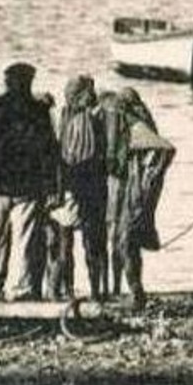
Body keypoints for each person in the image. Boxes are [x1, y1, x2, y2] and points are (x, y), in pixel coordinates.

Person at [0, 62, 60, 304]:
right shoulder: (38, 111)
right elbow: (49, 153)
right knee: (23, 244)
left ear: (6, 82)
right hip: (27, 188)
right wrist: (50, 187)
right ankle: (18, 292)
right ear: (30, 82)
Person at [100, 87, 174, 309]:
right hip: (126, 193)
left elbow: (166, 148)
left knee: (125, 241)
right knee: (123, 241)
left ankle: (133, 292)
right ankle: (121, 290)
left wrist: (150, 176)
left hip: (132, 194)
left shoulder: (134, 124)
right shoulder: (129, 124)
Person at [55, 76, 109, 301]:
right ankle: (97, 291)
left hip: (68, 187)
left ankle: (68, 291)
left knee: (65, 243)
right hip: (92, 187)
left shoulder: (63, 118)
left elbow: (59, 156)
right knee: (93, 244)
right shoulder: (94, 120)